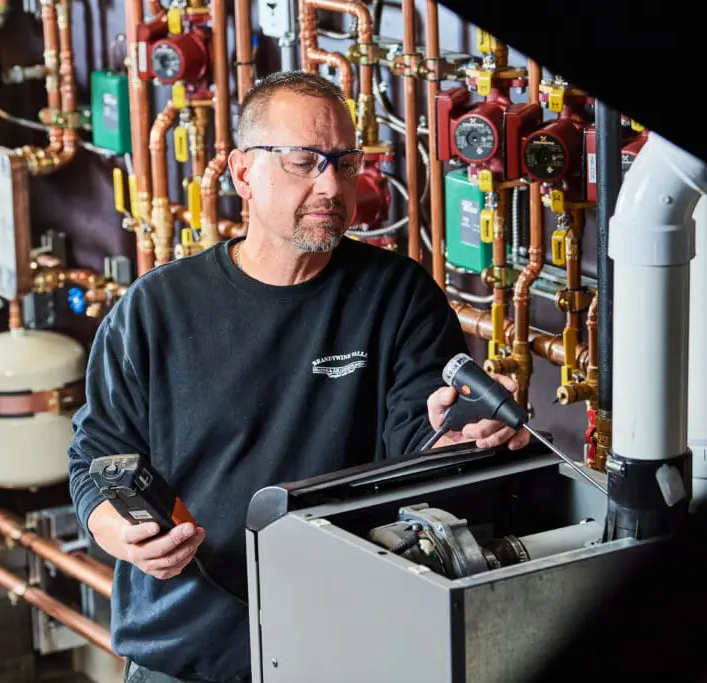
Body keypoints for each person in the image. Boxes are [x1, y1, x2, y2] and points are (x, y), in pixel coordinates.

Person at [67, 70, 528, 683]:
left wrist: (461, 438)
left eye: (343, 161)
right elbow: (97, 457)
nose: (331, 184)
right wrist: (121, 534)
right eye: (303, 161)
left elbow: (416, 451)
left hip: (346, 643)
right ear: (242, 175)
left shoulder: (397, 297)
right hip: (188, 650)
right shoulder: (156, 308)